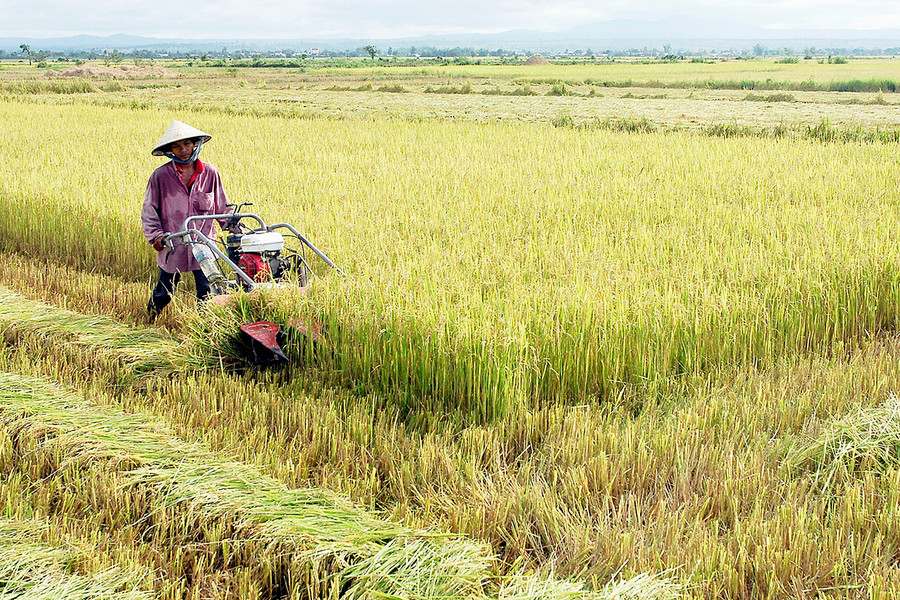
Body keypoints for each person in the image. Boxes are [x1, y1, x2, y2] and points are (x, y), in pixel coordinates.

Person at [141, 120, 231, 321]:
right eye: (176, 146)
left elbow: (221, 206)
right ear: (169, 150)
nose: (183, 150)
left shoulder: (210, 173)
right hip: (174, 242)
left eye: (187, 144)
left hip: (204, 243)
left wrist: (234, 226)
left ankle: (204, 329)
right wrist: (156, 236)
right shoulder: (161, 177)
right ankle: (148, 319)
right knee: (164, 292)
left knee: (207, 291)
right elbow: (149, 210)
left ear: (195, 144)